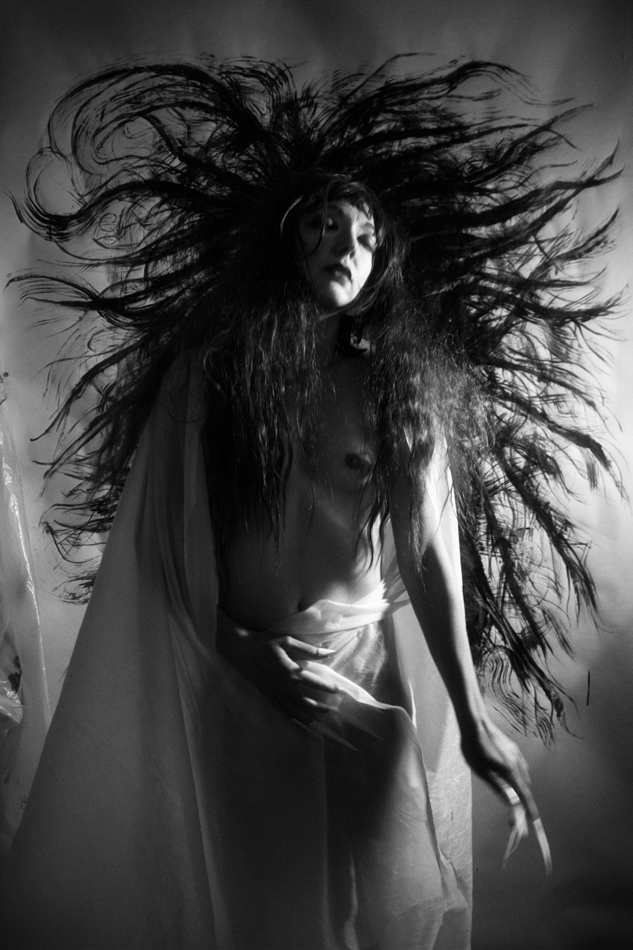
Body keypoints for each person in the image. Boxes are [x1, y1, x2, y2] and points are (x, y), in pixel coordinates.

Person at [2, 57, 615, 950]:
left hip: (360, 679)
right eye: (324, 225)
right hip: (234, 681)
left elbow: (426, 553)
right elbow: (165, 543)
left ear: (384, 265)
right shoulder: (211, 376)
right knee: (250, 910)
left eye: (365, 236)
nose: (344, 246)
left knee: (354, 915)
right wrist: (236, 655)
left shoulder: (397, 389)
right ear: (285, 242)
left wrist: (473, 717)